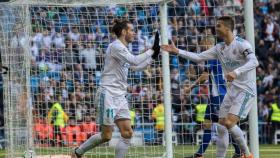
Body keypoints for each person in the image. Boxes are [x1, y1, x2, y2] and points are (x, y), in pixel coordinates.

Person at [162, 16, 259, 158]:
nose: (216, 28)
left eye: (218, 26)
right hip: (231, 91)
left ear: (227, 28)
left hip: (245, 90)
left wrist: (236, 72)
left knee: (229, 122)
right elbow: (199, 57)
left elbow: (254, 61)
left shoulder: (242, 44)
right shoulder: (219, 48)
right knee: (221, 126)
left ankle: (247, 154)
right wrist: (178, 51)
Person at [71, 19, 160, 158]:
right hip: (108, 95)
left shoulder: (124, 49)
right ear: (124, 32)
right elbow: (134, 60)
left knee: (127, 133)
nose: (134, 33)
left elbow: (135, 67)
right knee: (107, 136)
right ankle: (78, 152)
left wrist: (152, 57)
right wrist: (151, 50)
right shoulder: (115, 46)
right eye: (131, 30)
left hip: (120, 96)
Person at [183, 39, 241, 158]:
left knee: (226, 125)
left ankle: (240, 152)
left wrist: (190, 87)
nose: (202, 47)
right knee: (207, 124)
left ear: (208, 43)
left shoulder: (213, 56)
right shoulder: (223, 55)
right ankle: (200, 154)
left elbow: (204, 77)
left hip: (218, 96)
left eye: (202, 44)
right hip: (216, 96)